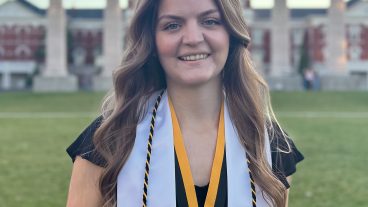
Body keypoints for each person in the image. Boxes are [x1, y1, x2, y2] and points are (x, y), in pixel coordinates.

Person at [66, 0, 304, 206]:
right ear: (152, 40)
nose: (192, 38)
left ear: (232, 33)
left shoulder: (270, 144)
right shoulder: (108, 138)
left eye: (210, 21)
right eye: (172, 25)